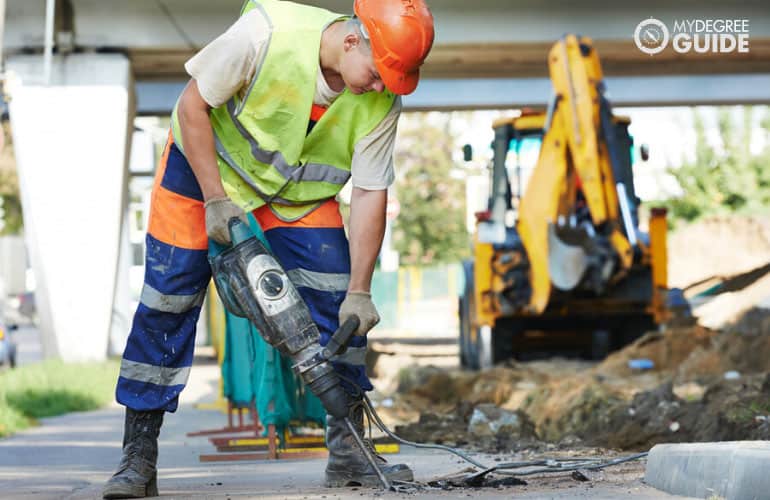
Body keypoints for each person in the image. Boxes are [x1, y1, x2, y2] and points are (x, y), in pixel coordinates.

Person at [102, 0, 434, 497]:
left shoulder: (381, 101)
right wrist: (215, 199)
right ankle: (138, 460)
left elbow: (368, 193)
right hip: (201, 176)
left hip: (292, 195)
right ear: (351, 40)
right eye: (379, 71)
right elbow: (193, 105)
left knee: (339, 303)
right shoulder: (264, 34)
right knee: (166, 303)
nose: (381, 86)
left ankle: (350, 454)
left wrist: (361, 292)